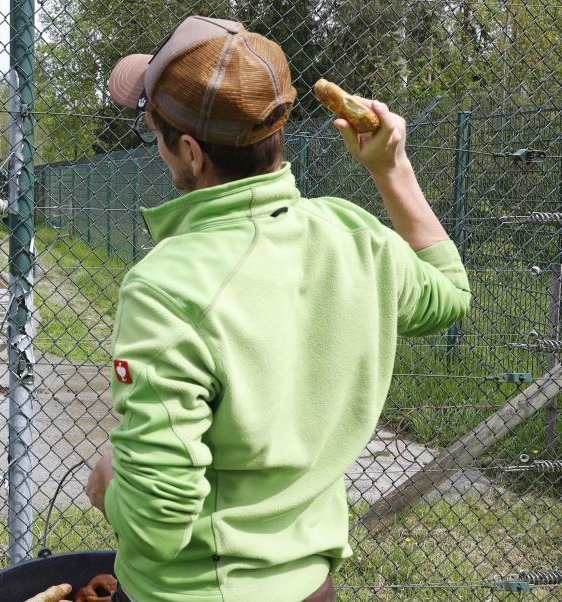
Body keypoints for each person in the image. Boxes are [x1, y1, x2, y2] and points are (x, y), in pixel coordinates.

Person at [84, 16, 471, 602]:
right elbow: (449, 293)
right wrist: (392, 169)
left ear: (189, 152)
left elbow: (157, 525)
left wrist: (110, 484)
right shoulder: (352, 235)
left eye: (152, 132)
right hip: (313, 588)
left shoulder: (166, 286)